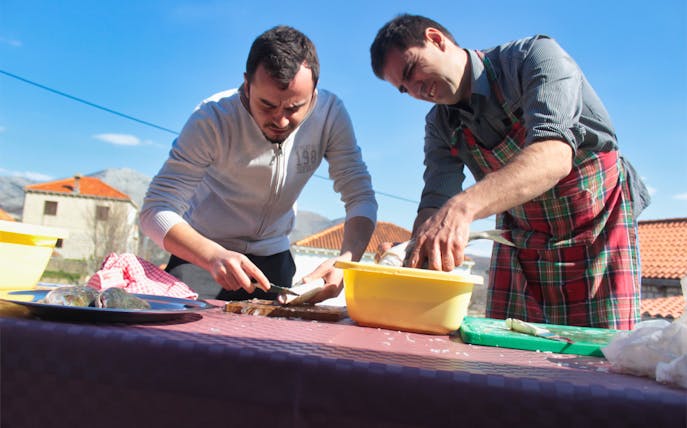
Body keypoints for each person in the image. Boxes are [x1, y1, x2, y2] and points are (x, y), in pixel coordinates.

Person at [370, 14, 650, 329]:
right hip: (522, 237)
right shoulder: (439, 124)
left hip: (598, 228)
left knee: (602, 361)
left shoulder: (533, 58)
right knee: (510, 359)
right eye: (406, 89)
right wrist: (415, 248)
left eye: (412, 71)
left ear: (436, 39)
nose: (418, 91)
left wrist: (463, 207)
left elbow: (554, 155)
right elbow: (436, 199)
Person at [141, 26, 377, 303]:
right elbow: (156, 209)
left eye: (293, 108)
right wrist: (211, 254)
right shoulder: (212, 118)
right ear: (246, 84)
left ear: (314, 94)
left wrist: (345, 261)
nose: (280, 121)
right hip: (203, 259)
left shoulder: (330, 115)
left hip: (273, 262)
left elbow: (361, 196)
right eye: (266, 105)